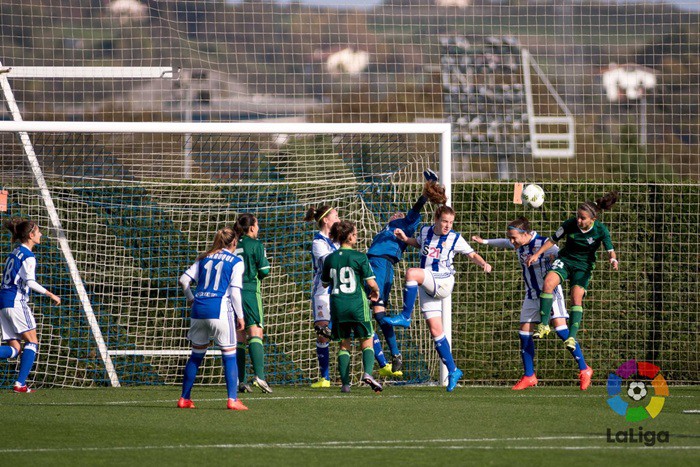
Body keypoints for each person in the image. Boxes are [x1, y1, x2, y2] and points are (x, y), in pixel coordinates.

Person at [472, 216, 593, 391]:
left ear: (526, 233)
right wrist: (484, 241)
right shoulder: (518, 245)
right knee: (524, 331)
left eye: (514, 237)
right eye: (510, 237)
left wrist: (557, 262)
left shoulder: (545, 243)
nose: (511, 241)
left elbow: (566, 261)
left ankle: (584, 369)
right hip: (531, 294)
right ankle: (529, 375)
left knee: (561, 329)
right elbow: (503, 243)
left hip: (550, 295)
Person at [391, 205, 492, 392]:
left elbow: (472, 254)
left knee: (411, 273)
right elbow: (419, 243)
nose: (447, 226)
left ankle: (405, 316)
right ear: (436, 219)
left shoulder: (454, 237)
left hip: (443, 280)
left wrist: (484, 263)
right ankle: (453, 370)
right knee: (436, 330)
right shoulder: (425, 230)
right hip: (427, 282)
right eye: (445, 221)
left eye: (451, 222)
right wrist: (406, 239)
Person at [367, 169, 447, 374]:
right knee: (377, 314)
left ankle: (389, 356)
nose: (399, 213)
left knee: (370, 310)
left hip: (382, 265)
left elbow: (417, 207)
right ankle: (394, 356)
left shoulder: (406, 224)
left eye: (402, 214)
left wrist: (429, 186)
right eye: (397, 214)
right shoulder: (386, 229)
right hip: (372, 264)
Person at [526, 192, 619, 359]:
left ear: (593, 219)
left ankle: (572, 337)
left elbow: (610, 249)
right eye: (578, 216)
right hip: (565, 260)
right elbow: (552, 240)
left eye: (582, 218)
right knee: (548, 284)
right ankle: (544, 325)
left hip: (583, 267)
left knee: (576, 297)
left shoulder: (600, 230)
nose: (579, 220)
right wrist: (536, 254)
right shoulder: (570, 224)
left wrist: (613, 260)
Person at [177, 226, 248, 410]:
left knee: (196, 355)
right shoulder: (236, 261)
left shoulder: (204, 257)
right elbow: (234, 292)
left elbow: (184, 280)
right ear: (234, 242)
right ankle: (232, 399)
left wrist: (191, 299)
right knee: (229, 355)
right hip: (220, 310)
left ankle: (184, 398)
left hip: (199, 310)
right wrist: (240, 316)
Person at [321, 220, 383, 393]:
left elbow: (325, 283)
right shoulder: (359, 257)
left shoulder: (330, 258)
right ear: (348, 236)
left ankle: (345, 384)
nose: (356, 236)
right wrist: (376, 291)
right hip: (357, 304)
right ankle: (368, 373)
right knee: (367, 339)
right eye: (354, 234)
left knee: (343, 344)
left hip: (338, 306)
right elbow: (371, 283)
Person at [0, 218, 61, 393]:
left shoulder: (15, 252)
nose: (41, 234)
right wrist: (50, 294)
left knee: (15, 349)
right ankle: (20, 384)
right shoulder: (28, 256)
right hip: (15, 301)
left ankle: (20, 383)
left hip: (3, 302)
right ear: (30, 235)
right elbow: (31, 282)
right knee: (32, 342)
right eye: (38, 232)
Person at [233, 213, 272, 394]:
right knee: (255, 332)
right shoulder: (256, 245)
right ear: (251, 228)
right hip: (249, 291)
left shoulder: (231, 244)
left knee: (239, 336)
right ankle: (260, 377)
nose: (259, 228)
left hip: (232, 293)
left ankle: (239, 380)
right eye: (257, 225)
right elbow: (264, 270)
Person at [304, 204, 341, 388]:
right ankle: (325, 378)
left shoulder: (339, 240)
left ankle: (381, 365)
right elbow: (330, 262)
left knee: (351, 328)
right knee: (323, 334)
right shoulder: (318, 242)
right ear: (326, 220)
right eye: (336, 216)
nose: (339, 219)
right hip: (323, 292)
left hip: (341, 291)